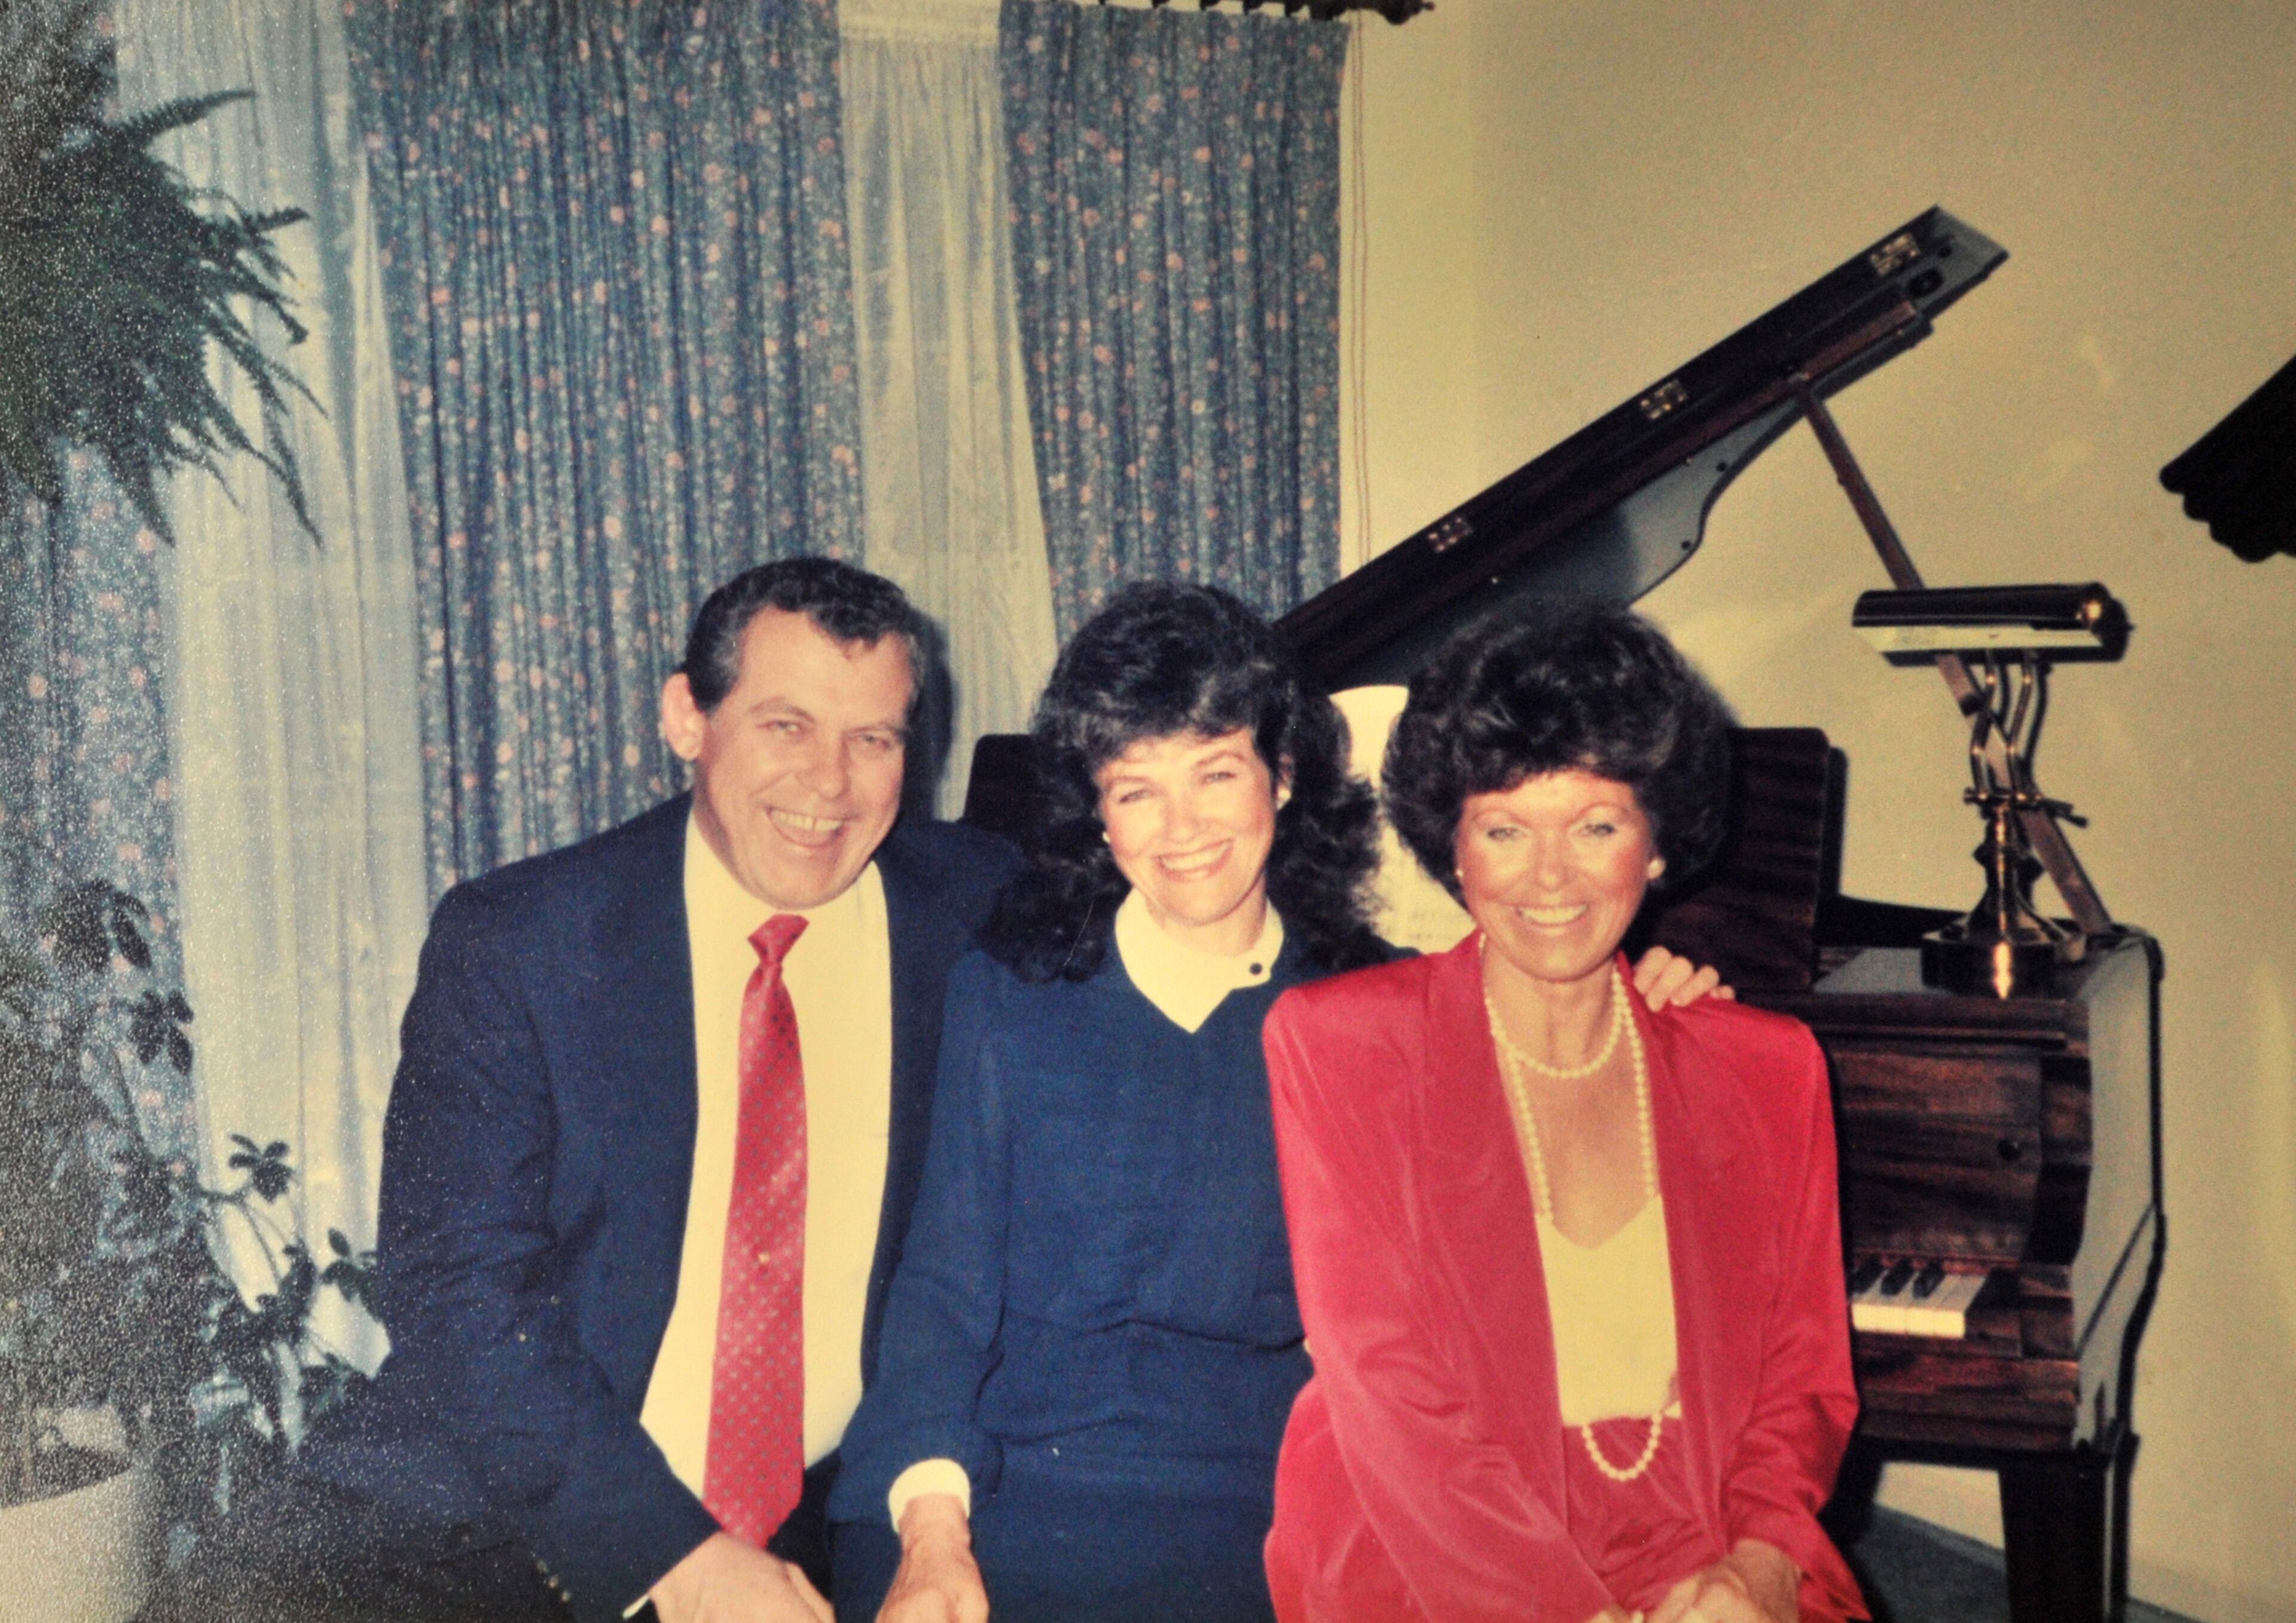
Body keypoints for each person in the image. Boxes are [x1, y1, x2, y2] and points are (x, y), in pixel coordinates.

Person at [824, 584, 1726, 1623]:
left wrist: (1655, 1000)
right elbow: (941, 1296)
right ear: (1099, 813)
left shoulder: (1381, 1014)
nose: (1183, 829)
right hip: (997, 1482)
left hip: (1255, 1499)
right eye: (1136, 790)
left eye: (1216, 773)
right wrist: (935, 1538)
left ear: (1285, 775)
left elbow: (1557, 1062)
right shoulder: (1008, 996)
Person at [147, 559, 1013, 1623]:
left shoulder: (979, 918)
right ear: (686, 717)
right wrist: (680, 1557)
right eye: (786, 725)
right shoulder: (522, 941)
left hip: (822, 1533)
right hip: (506, 1508)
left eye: (873, 738)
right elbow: (457, 1290)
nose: (831, 783)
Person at [1261, 600, 1865, 1623]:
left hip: (1710, 1531)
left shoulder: (1767, 1067)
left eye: (1596, 825)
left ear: (1659, 844)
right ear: (1454, 849)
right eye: (1504, 829)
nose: (1550, 877)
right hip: (1440, 1553)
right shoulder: (1340, 1047)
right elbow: (1395, 1402)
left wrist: (1759, 1568)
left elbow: (1801, 1382)